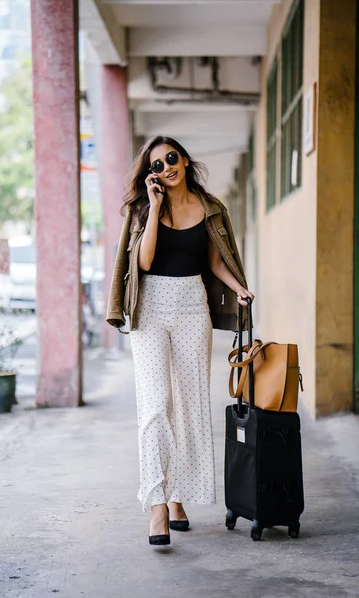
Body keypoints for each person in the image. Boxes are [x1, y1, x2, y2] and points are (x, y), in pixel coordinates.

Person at [106, 136, 254, 546]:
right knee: (155, 405)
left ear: (185, 160)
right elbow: (145, 262)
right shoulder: (143, 209)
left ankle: (178, 497)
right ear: (150, 173)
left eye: (171, 158)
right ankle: (157, 506)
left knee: (190, 406)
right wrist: (154, 208)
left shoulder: (210, 208)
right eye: (156, 164)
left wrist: (237, 287)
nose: (166, 167)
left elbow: (213, 260)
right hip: (151, 308)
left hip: (193, 307)